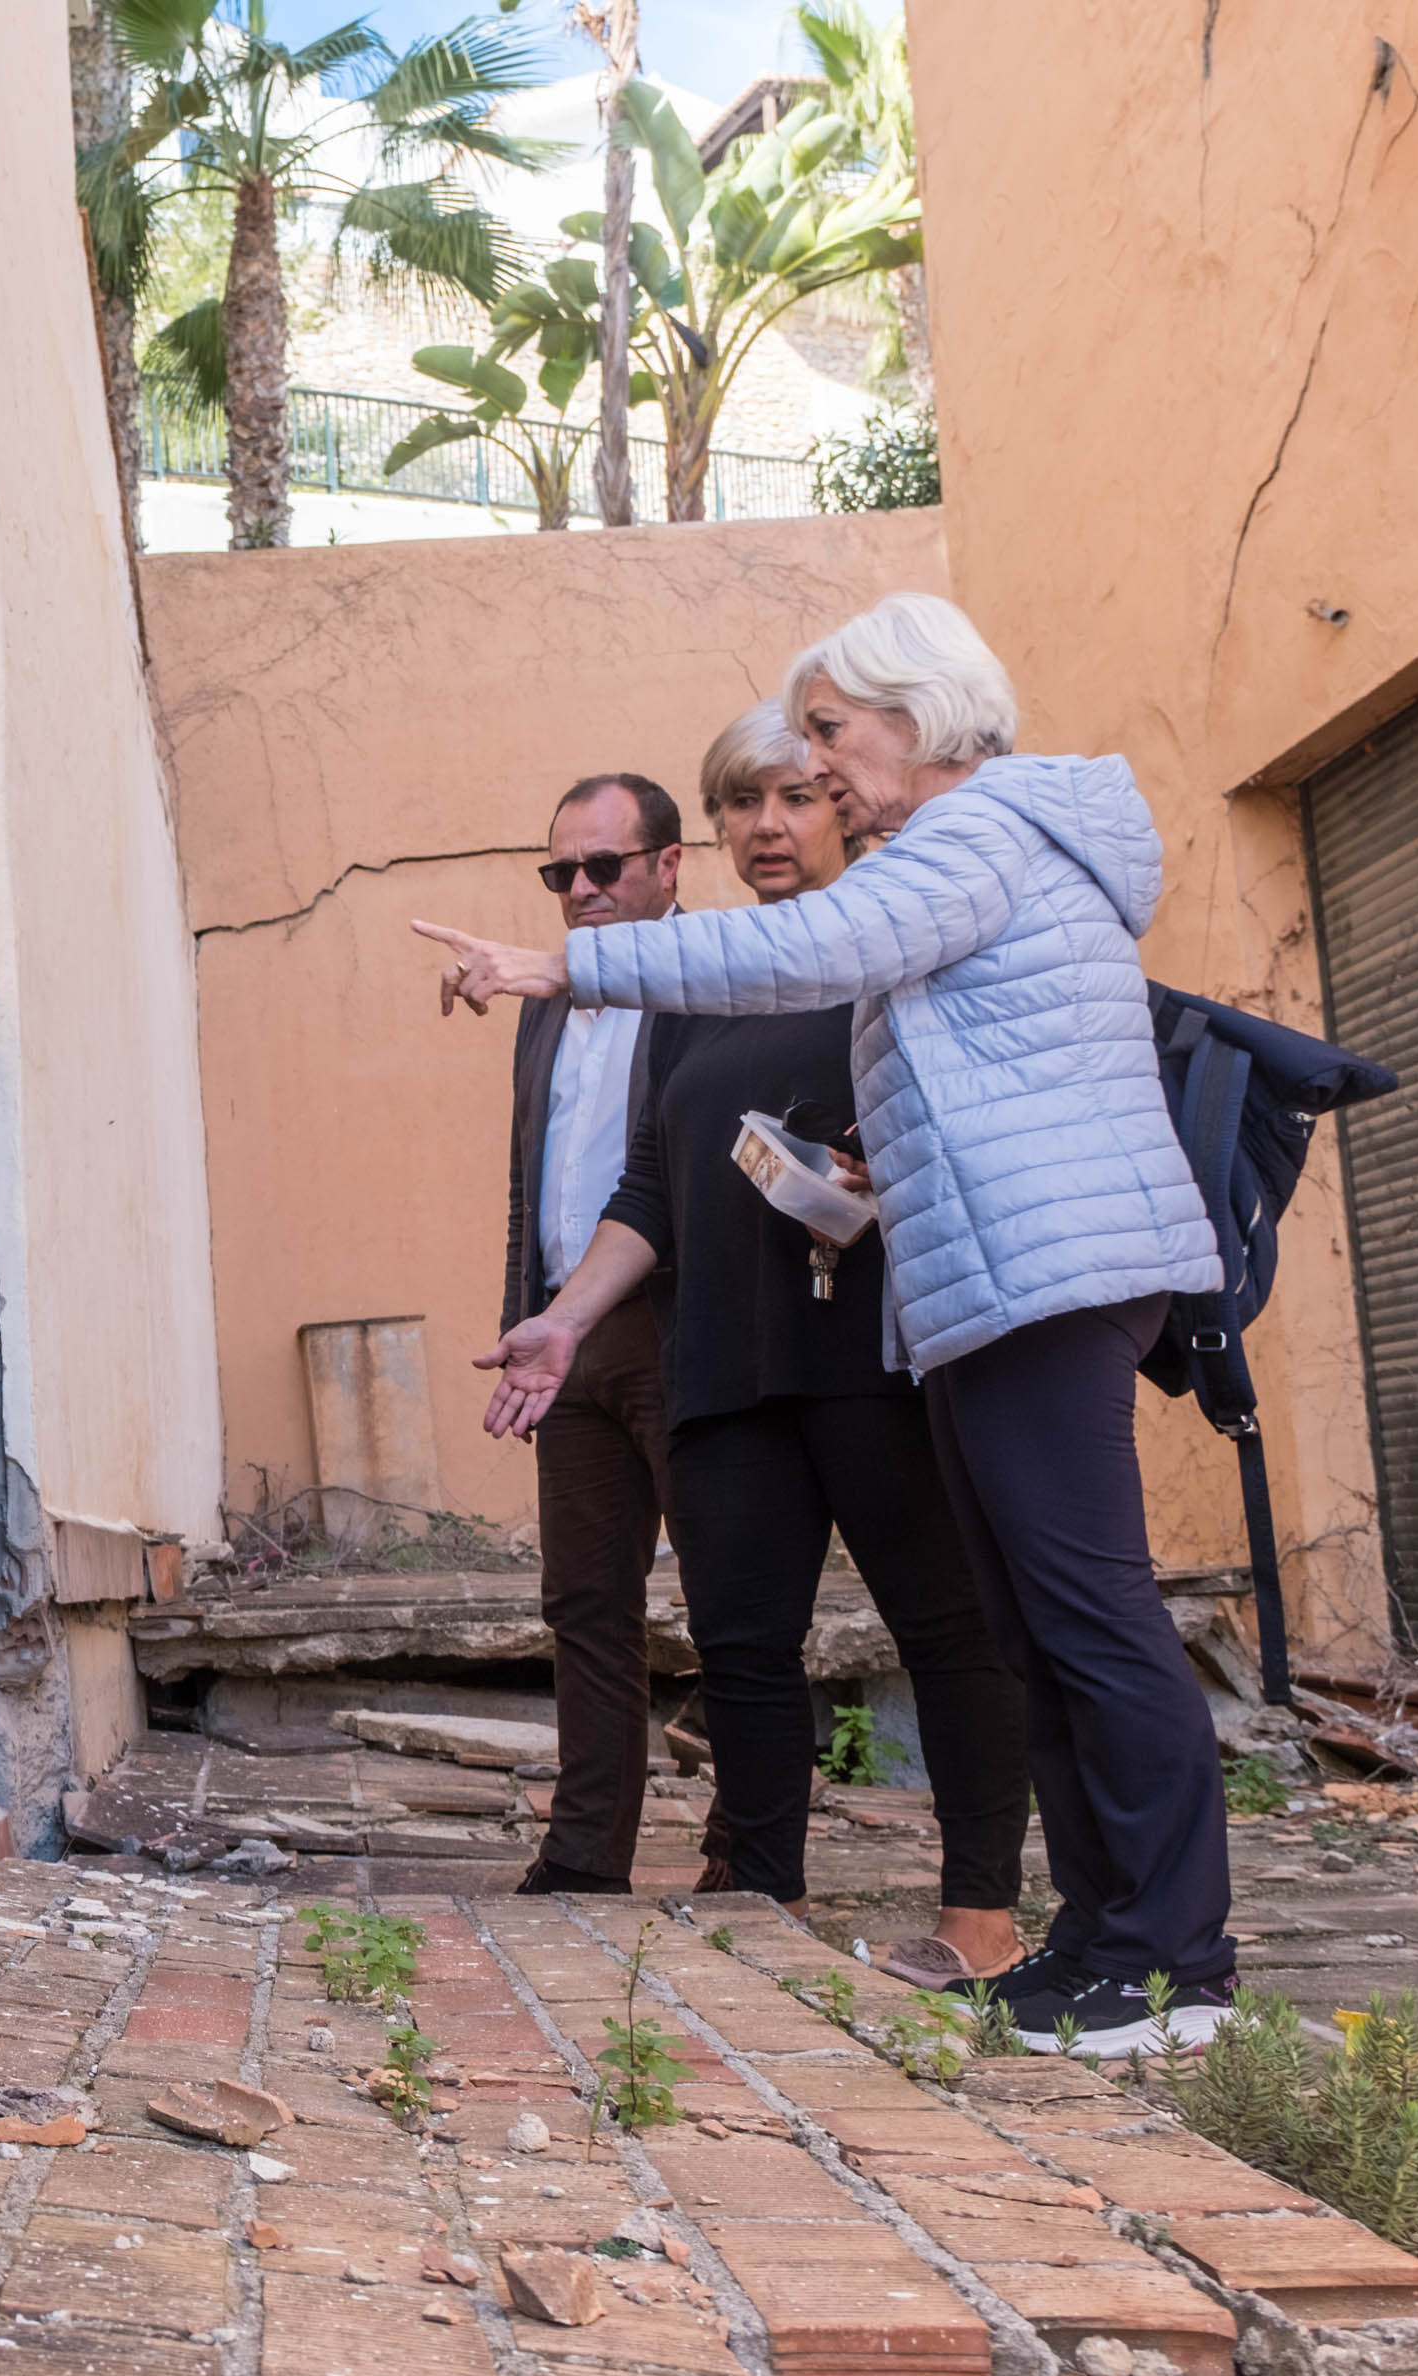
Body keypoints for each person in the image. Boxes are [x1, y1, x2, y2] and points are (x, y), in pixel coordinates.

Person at [416, 594, 1237, 2056]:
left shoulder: (976, 836)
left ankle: (1178, 1959)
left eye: (829, 736)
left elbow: (802, 951)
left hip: (1046, 1276)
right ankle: (1101, 1942)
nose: (819, 769)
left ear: (915, 719)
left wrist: (572, 960)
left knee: (1092, 1618)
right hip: (991, 1283)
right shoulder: (967, 848)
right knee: (1044, 1626)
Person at [503, 705, 1035, 1985]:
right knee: (740, 1648)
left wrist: (885, 1173)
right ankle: (761, 1908)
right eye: (743, 805)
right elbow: (647, 1185)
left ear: (841, 805)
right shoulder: (702, 982)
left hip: (874, 1353)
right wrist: (563, 1319)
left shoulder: (889, 947)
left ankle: (978, 1915)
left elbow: (990, 1114)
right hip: (724, 1362)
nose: (769, 826)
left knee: (941, 1626)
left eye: (795, 797)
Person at [471, 773, 685, 1898]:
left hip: (680, 1325)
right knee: (586, 1602)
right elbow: (535, 1177)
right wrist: (526, 1311)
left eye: (605, 866)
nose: (583, 890)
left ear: (667, 865)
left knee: (737, 1602)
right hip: (567, 1337)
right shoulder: (546, 1004)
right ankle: (585, 1855)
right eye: (562, 873)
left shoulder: (715, 979)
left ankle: (750, 1857)